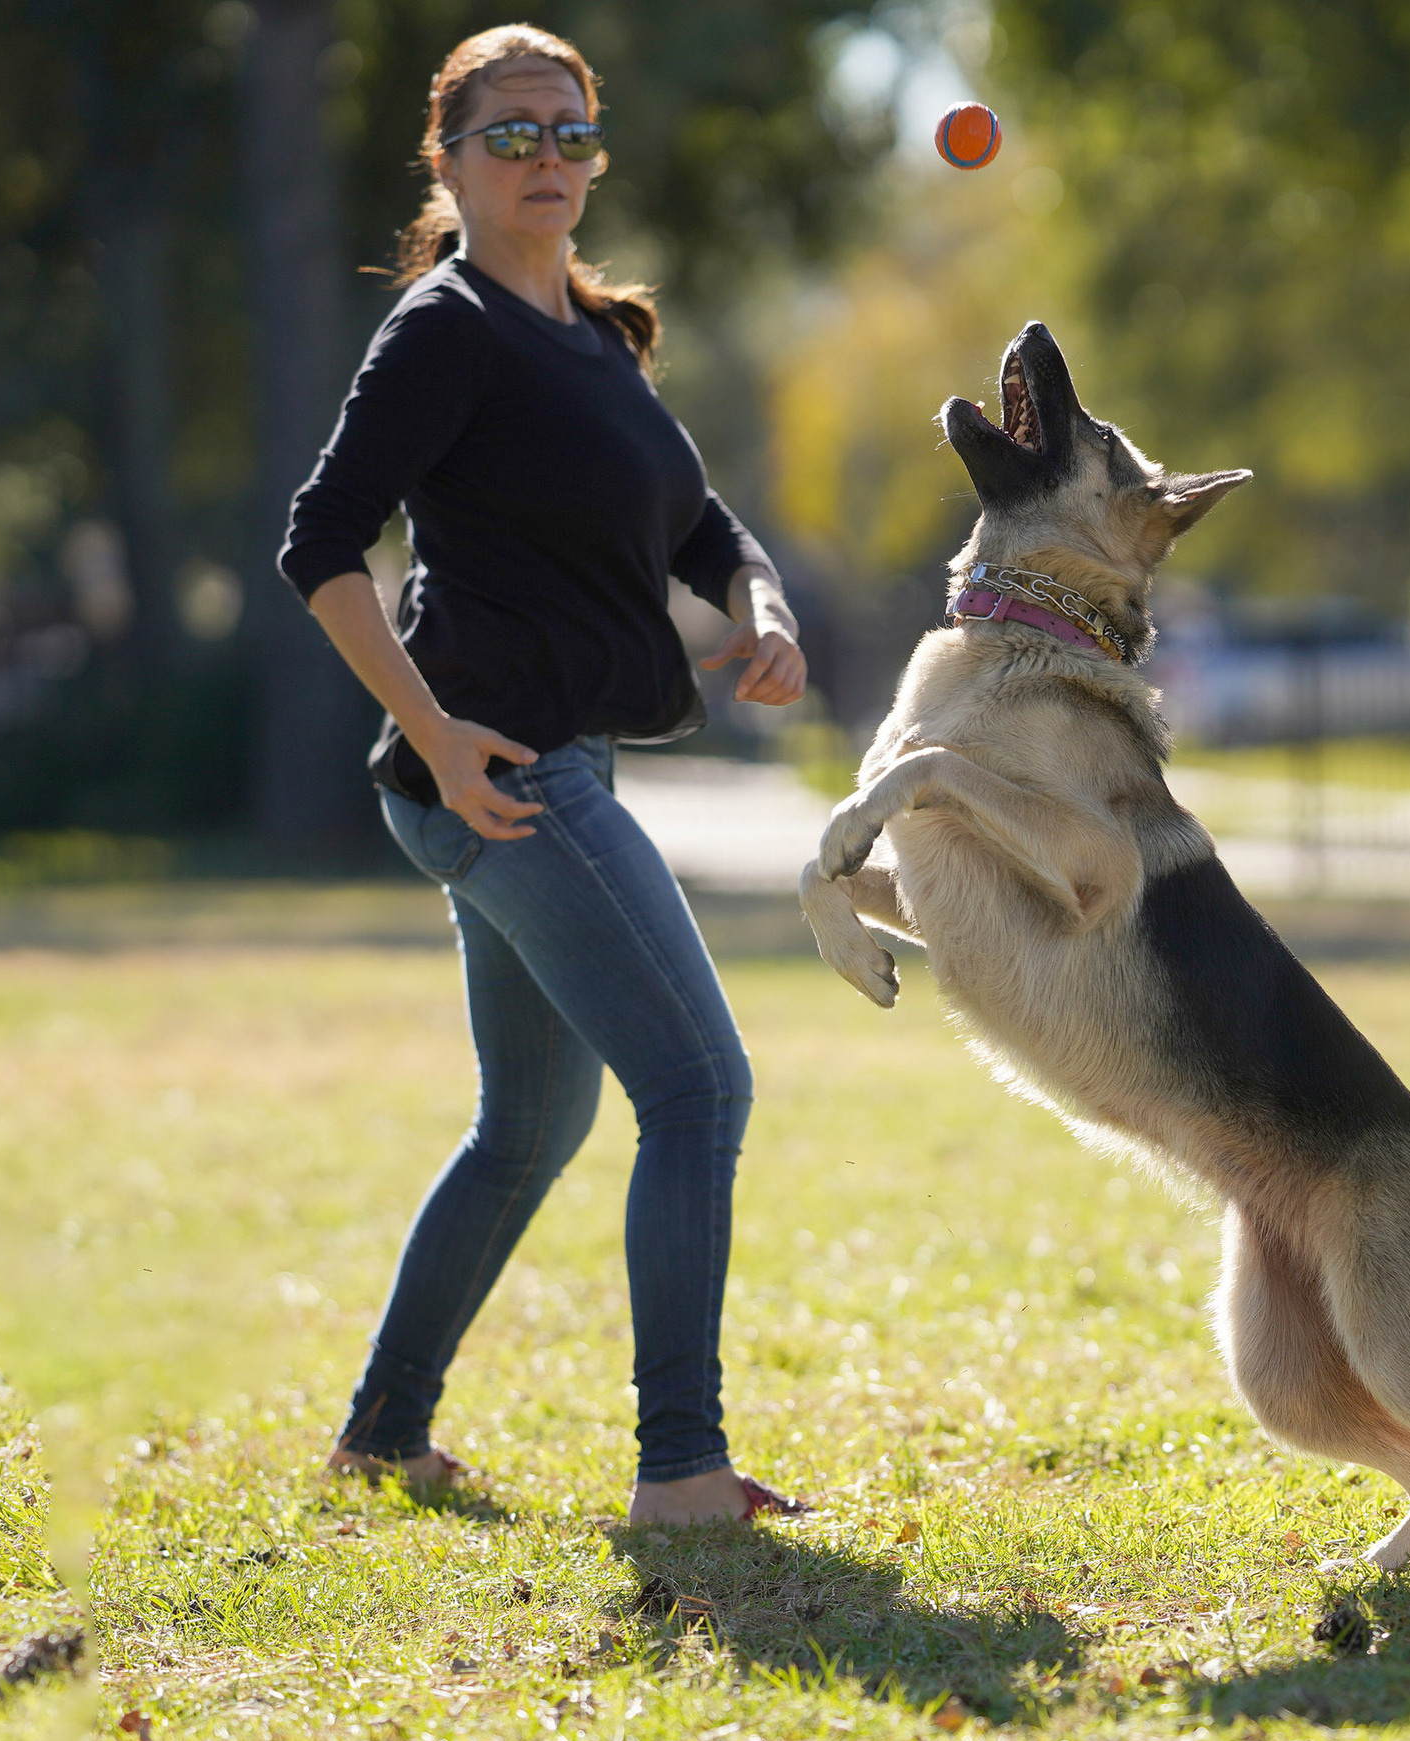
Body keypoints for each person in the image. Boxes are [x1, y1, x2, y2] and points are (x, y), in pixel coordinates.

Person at [277, 24, 807, 1527]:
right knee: (699, 1088)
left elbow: (708, 528)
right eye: (512, 134)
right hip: (501, 775)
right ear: (446, 160)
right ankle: (681, 1470)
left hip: (546, 767)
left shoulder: (595, 335)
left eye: (572, 133)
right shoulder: (445, 330)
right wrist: (438, 737)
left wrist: (761, 611)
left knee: (527, 1130)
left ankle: (385, 1433)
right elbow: (320, 546)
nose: (551, 160)